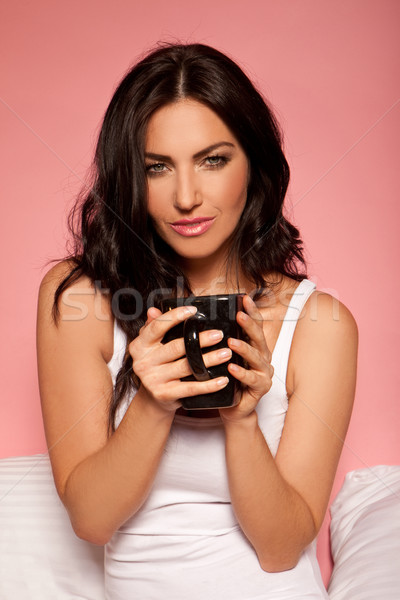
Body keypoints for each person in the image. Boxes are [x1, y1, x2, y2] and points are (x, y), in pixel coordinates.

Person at [37, 43, 358, 599]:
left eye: (213, 160)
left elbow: (282, 550)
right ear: (129, 180)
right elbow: (91, 520)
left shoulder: (321, 324)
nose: (186, 197)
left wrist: (240, 419)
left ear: (253, 162)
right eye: (156, 168)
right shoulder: (78, 299)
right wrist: (153, 401)